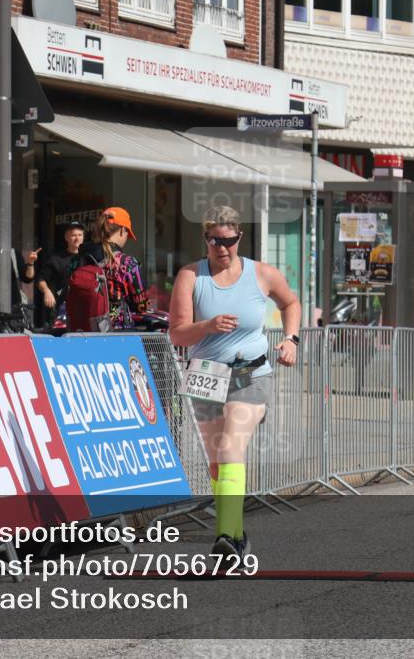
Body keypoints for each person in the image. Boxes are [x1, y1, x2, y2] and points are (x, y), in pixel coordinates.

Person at [168, 205, 301, 560]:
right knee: (216, 461)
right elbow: (177, 334)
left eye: (229, 240)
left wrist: (291, 340)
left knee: (230, 448)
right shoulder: (190, 277)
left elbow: (291, 303)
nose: (222, 248)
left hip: (250, 373)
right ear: (206, 239)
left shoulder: (262, 274)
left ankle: (224, 535)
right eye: (215, 241)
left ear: (239, 237)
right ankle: (238, 535)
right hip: (205, 375)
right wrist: (207, 327)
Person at [71, 207, 149, 330]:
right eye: (127, 233)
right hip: (117, 332)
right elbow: (142, 306)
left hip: (83, 331)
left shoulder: (80, 258)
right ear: (123, 230)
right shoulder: (128, 263)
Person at [35, 221, 85, 327]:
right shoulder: (56, 259)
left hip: (84, 307)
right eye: (73, 235)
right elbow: (40, 279)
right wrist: (47, 291)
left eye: (80, 235)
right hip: (62, 309)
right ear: (66, 237)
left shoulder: (88, 257)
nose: (77, 238)